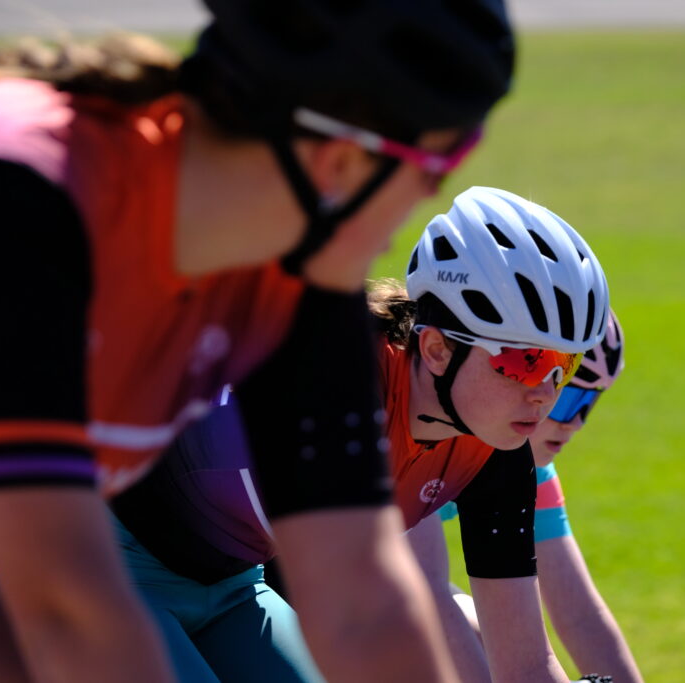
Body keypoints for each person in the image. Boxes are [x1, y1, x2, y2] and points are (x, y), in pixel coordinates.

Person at [0, 2, 515, 680]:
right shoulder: (23, 211)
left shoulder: (297, 284)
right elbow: (67, 611)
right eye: (441, 164)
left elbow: (362, 600)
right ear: (343, 160)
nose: (433, 193)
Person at [109, 185, 610, 683]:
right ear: (436, 349)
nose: (546, 393)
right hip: (105, 566)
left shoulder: (497, 454)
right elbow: (366, 622)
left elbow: (525, 665)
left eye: (563, 367)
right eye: (526, 361)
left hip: (235, 587)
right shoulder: (340, 381)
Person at [411, 309, 646, 683]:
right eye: (567, 400)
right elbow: (425, 595)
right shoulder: (429, 437)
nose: (573, 423)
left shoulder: (527, 467)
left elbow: (581, 616)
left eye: (588, 406)